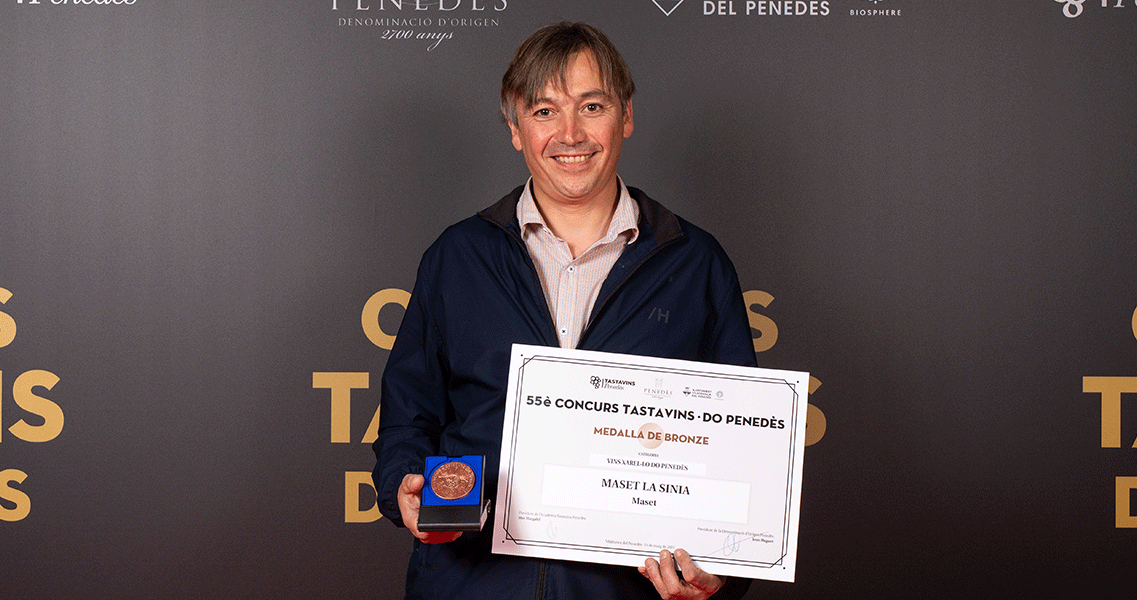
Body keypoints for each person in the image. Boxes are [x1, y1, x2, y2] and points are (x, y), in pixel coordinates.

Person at [373, 21, 757, 600]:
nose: (570, 133)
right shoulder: (457, 256)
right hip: (471, 585)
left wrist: (724, 568)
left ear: (626, 116)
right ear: (515, 128)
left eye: (592, 105)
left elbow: (742, 453)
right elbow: (407, 418)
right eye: (545, 111)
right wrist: (404, 483)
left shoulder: (695, 263)